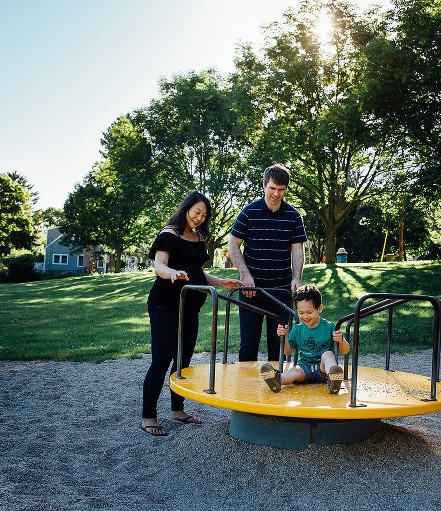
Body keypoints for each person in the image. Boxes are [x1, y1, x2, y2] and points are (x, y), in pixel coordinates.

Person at [141, 191, 243, 437]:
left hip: (191, 306)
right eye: (196, 211)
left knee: (183, 360)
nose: (199, 217)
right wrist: (172, 272)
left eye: (204, 215)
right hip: (164, 305)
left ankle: (177, 410)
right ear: (186, 208)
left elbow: (198, 274)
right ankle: (148, 416)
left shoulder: (198, 239)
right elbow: (159, 266)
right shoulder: (169, 234)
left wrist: (220, 282)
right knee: (162, 359)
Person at [228, 163, 307, 362]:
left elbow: (297, 249)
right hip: (251, 290)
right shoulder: (249, 212)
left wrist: (297, 277)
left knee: (279, 343)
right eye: (272, 188)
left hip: (281, 291)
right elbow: (233, 244)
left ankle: (277, 387)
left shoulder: (293, 216)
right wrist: (245, 275)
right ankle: (245, 391)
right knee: (248, 343)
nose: (276, 194)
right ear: (264, 185)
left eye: (281, 190)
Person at [260, 284, 350, 394]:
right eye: (301, 313)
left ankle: (333, 379)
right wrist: (284, 337)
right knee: (294, 371)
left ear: (319, 308)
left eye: (309, 312)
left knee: (328, 354)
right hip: (304, 368)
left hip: (323, 370)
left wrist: (341, 341)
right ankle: (277, 380)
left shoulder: (330, 327)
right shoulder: (297, 329)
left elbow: (345, 350)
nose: (305, 316)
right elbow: (287, 352)